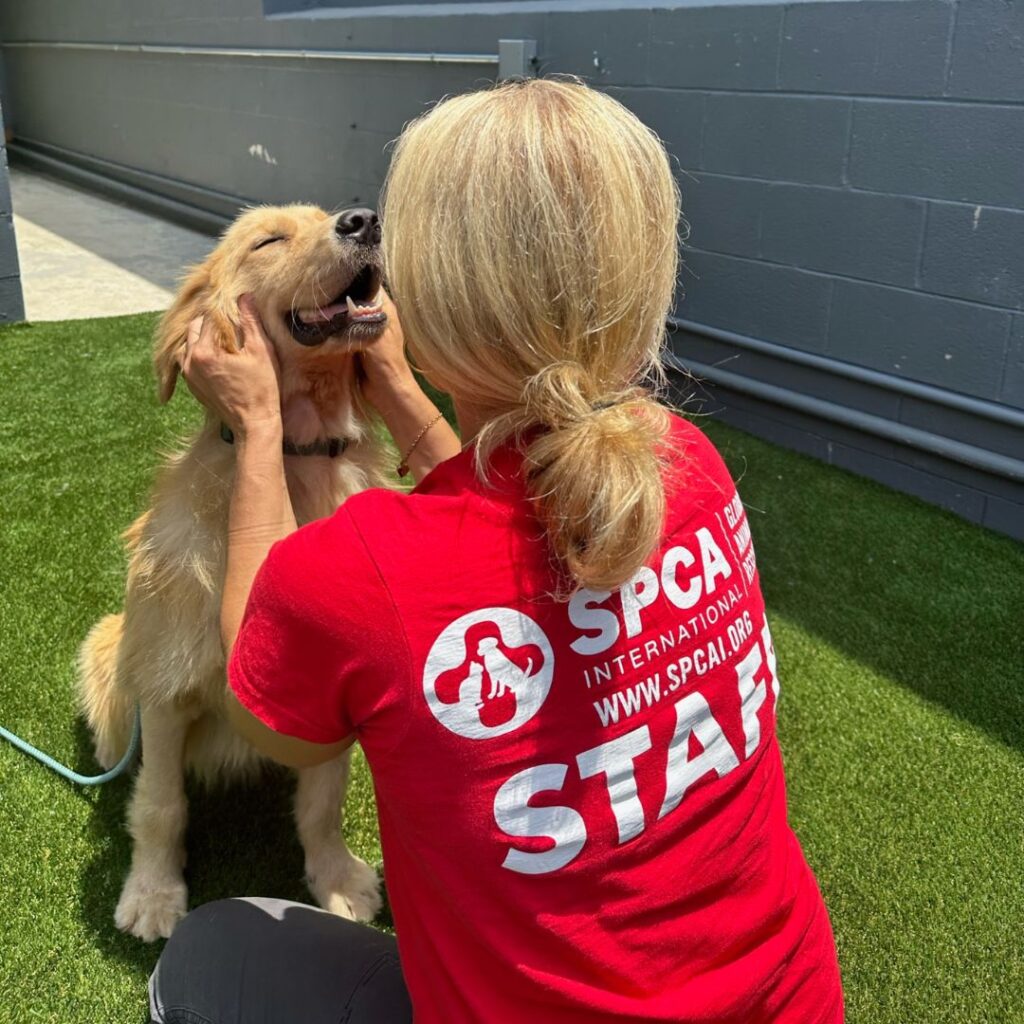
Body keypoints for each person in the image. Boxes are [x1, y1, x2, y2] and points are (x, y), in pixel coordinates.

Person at [151, 78, 844, 1023]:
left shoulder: (362, 571)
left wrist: (261, 425)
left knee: (208, 952)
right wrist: (397, 387)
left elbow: (264, 704)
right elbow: (490, 511)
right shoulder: (686, 462)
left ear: (431, 298)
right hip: (789, 999)